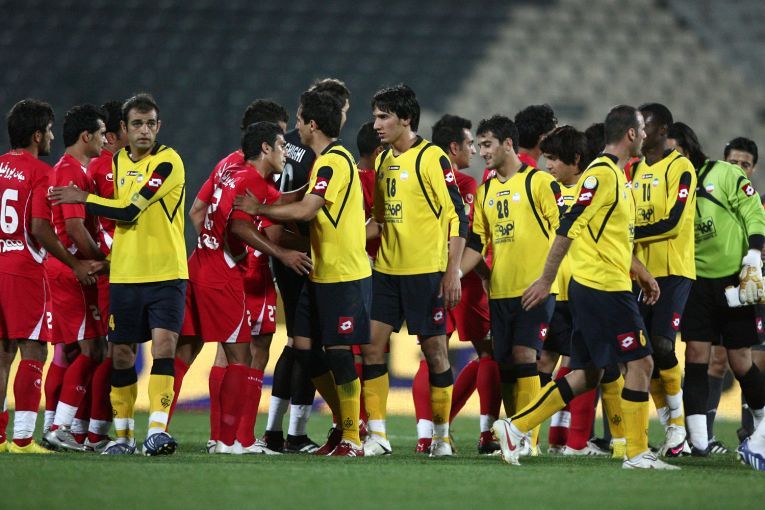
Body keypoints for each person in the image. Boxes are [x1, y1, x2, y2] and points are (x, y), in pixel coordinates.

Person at [494, 105, 676, 469]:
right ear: (630, 134)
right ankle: (637, 452)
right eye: (641, 130)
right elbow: (569, 226)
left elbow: (609, 238)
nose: (645, 136)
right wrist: (546, 279)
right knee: (641, 362)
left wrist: (640, 271)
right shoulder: (602, 175)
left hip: (602, 284)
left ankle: (515, 428)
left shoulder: (615, 175)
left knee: (586, 374)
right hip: (603, 288)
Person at [49, 93, 188, 456]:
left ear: (159, 127)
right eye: (137, 124)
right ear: (123, 129)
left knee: (164, 346)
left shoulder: (168, 162)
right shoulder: (114, 163)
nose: (145, 130)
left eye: (151, 123)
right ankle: (124, 437)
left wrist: (82, 198)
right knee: (121, 354)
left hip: (166, 273)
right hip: (125, 275)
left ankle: (157, 431)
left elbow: (129, 210)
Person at [236, 90, 371, 456]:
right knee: (306, 350)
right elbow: (299, 199)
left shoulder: (333, 163)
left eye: (298, 120)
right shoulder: (324, 162)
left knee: (339, 354)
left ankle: (352, 438)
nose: (295, 127)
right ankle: (346, 422)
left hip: (343, 273)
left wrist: (259, 208)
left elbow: (307, 209)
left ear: (312, 125)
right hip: (319, 272)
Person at [182, 121, 311, 455]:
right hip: (223, 274)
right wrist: (283, 253)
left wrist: (316, 190)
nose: (286, 153)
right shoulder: (251, 180)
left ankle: (213, 437)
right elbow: (240, 227)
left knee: (192, 351)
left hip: (203, 264)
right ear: (265, 148)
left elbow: (279, 201)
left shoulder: (236, 173)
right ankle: (229, 440)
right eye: (281, 145)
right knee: (241, 355)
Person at [364, 84, 468, 456]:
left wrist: (452, 271)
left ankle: (441, 436)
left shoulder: (432, 157)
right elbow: (379, 220)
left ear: (406, 119)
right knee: (371, 348)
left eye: (384, 117)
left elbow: (458, 216)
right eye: (375, 117)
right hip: (387, 271)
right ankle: (378, 436)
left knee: (436, 352)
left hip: (426, 272)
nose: (377, 124)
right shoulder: (381, 161)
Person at [459, 114, 561, 456]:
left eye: (487, 144)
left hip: (535, 291)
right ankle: (513, 433)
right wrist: (455, 274)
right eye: (479, 145)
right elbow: (477, 244)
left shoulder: (539, 182)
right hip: (500, 292)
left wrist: (548, 280)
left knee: (525, 356)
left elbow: (564, 232)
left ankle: (528, 439)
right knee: (505, 363)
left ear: (507, 143)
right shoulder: (486, 191)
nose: (481, 152)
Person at [1, 99, 98, 454]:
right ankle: (23, 439)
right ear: (37, 135)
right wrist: (74, 264)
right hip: (25, 270)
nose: (53, 137)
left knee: (2, 354)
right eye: (50, 131)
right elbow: (41, 228)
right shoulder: (41, 172)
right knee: (34, 349)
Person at [666, 122, 765, 456]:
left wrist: (753, 254)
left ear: (687, 148)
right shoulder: (669, 182)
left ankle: (761, 424)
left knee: (740, 361)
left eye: (673, 151)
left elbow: (753, 211)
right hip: (695, 282)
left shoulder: (724, 173)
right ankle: (698, 441)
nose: (668, 157)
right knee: (696, 356)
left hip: (734, 279)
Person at [265, 79, 352, 454]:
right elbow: (303, 210)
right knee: (308, 344)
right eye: (342, 111)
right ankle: (306, 431)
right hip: (304, 254)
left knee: (297, 343)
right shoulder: (324, 157)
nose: (343, 118)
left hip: (281, 252)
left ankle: (275, 431)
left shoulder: (283, 146)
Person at [538, 125, 622, 457]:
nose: (548, 165)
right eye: (546, 158)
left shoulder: (593, 188)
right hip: (562, 289)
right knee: (556, 363)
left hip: (582, 288)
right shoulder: (547, 188)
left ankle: (571, 441)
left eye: (553, 159)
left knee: (585, 365)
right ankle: (539, 437)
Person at [631, 103, 697, 457]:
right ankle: (670, 426)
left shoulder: (680, 167)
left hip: (673, 270)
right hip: (640, 272)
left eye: (646, 125)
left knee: (661, 344)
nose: (640, 132)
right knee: (641, 351)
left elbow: (673, 222)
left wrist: (627, 235)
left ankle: (677, 426)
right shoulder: (634, 169)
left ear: (662, 130)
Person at [43, 104, 109, 452]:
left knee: (69, 350)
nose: (105, 141)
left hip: (62, 269)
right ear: (87, 136)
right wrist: (101, 260)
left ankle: (55, 425)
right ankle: (60, 427)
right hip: (74, 271)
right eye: (101, 134)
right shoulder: (71, 172)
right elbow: (73, 228)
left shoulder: (67, 168)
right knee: (93, 349)